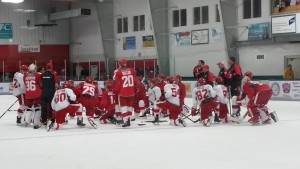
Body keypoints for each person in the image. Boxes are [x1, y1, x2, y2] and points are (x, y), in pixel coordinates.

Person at [113, 58, 138, 127]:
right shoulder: (131, 70)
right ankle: (129, 119)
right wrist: (135, 89)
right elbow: (135, 81)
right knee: (129, 106)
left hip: (122, 92)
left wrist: (116, 91)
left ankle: (126, 120)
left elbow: (117, 83)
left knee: (123, 107)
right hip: (131, 92)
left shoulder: (118, 72)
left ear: (119, 64)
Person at [23, 63, 42, 129]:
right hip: (37, 94)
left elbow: (25, 83)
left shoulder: (25, 75)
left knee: (29, 108)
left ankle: (26, 121)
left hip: (28, 94)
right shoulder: (38, 75)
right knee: (38, 108)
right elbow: (41, 84)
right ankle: (36, 123)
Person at [41, 62, 59, 127]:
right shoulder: (53, 74)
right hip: (51, 93)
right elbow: (57, 84)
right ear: (52, 67)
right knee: (52, 107)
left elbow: (40, 83)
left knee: (43, 107)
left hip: (44, 93)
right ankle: (52, 120)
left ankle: (44, 121)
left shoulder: (42, 74)